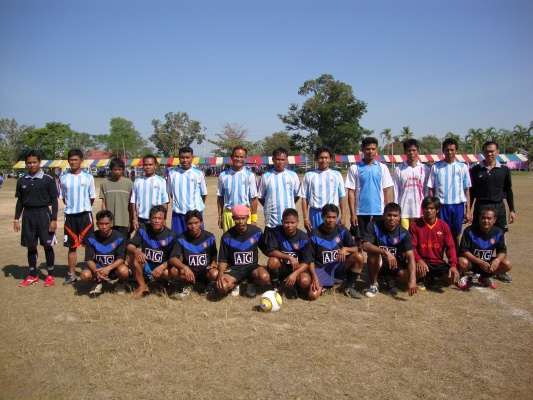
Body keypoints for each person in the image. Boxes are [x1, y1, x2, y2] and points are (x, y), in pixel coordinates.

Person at [469, 141, 515, 283]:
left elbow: (508, 190)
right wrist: (468, 210)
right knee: (477, 237)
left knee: (500, 236)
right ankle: (477, 269)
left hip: (498, 207)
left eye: (492, 151)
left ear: (497, 152)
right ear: (483, 153)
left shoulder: (504, 170)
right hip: (481, 206)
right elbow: (472, 192)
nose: (489, 154)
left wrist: (512, 210)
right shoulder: (475, 170)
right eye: (487, 151)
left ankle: (500, 269)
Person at [14, 150, 58, 287]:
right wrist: (16, 219)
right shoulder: (22, 180)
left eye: (34, 162)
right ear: (26, 163)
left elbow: (54, 200)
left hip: (44, 214)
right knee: (31, 245)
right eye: (29, 162)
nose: (32, 165)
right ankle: (33, 275)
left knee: (47, 245)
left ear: (40, 162)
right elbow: (20, 201)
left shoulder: (48, 179)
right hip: (28, 215)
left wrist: (53, 219)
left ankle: (50, 275)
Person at [308, 204, 365, 300]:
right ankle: (331, 282)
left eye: (334, 217)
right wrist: (314, 277)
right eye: (328, 217)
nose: (331, 220)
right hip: (322, 268)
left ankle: (348, 287)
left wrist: (346, 249)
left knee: (359, 256)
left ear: (337, 217)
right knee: (312, 295)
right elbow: (310, 260)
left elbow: (355, 248)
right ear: (322, 217)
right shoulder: (314, 235)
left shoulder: (342, 230)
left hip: (338, 265)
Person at [345, 137, 393, 246]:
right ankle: (359, 257)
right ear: (362, 150)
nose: (370, 151)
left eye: (373, 149)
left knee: (378, 241)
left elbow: (386, 190)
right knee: (359, 241)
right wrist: (353, 213)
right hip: (361, 212)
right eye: (367, 149)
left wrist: (388, 211)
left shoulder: (383, 168)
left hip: (379, 212)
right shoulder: (354, 168)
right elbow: (351, 192)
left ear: (377, 150)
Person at [362, 202, 417, 298]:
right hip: (379, 261)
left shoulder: (404, 233)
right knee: (372, 256)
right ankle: (374, 284)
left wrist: (413, 279)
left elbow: (410, 256)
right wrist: (385, 252)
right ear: (384, 215)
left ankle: (389, 277)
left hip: (395, 263)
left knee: (410, 276)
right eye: (389, 215)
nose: (392, 218)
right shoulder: (373, 226)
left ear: (399, 217)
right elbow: (365, 246)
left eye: (395, 216)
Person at [215, 205, 269, 298]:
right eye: (237, 218)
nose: (240, 222)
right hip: (235, 269)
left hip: (252, 267)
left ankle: (251, 283)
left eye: (243, 218)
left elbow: (266, 250)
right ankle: (236, 283)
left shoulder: (256, 232)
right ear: (233, 218)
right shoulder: (226, 236)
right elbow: (223, 260)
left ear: (248, 217)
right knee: (222, 287)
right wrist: (220, 276)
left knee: (265, 277)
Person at [409, 196, 463, 289]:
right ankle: (422, 277)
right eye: (426, 208)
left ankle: (431, 276)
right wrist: (418, 260)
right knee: (412, 272)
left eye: (432, 208)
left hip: (437, 262)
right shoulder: (415, 225)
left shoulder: (443, 226)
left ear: (437, 210)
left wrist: (453, 265)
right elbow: (411, 247)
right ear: (423, 209)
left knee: (451, 279)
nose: (429, 211)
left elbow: (450, 246)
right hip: (422, 261)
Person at [59, 149, 96, 285]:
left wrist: (83, 207)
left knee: (90, 245)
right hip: (70, 216)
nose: (73, 162)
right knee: (72, 247)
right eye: (71, 160)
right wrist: (72, 208)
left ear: (81, 161)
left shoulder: (88, 177)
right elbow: (63, 197)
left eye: (76, 159)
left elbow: (92, 197)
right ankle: (72, 274)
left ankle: (93, 272)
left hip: (85, 215)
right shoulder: (63, 178)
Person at [427, 138, 472, 248]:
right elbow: (431, 188)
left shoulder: (462, 167)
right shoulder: (435, 167)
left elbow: (466, 189)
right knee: (440, 234)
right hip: (441, 206)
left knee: (456, 235)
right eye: (447, 150)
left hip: (457, 206)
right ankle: (440, 257)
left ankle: (455, 257)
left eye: (452, 150)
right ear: (443, 151)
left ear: (456, 151)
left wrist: (468, 211)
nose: (449, 152)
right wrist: (432, 207)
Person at [127, 205, 179, 299]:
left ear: (164, 220)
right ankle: (142, 286)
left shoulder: (171, 235)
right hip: (146, 264)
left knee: (168, 273)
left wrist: (162, 267)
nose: (157, 221)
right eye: (154, 218)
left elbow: (175, 258)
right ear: (150, 219)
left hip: (162, 267)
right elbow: (130, 246)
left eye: (160, 218)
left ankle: (164, 282)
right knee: (131, 255)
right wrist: (137, 251)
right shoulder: (143, 229)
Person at [263, 208, 314, 297]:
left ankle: (298, 287)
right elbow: (270, 251)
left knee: (305, 281)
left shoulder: (304, 238)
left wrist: (295, 274)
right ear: (282, 221)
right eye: (286, 222)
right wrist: (289, 257)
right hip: (283, 266)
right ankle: (275, 286)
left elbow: (306, 262)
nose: (289, 225)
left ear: (297, 222)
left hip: (297, 268)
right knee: (272, 261)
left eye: (292, 222)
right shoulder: (276, 232)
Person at [457, 208, 512, 290]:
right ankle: (462, 276)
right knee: (461, 261)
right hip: (472, 262)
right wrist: (479, 261)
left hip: (487, 264)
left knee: (507, 264)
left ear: (494, 220)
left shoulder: (498, 232)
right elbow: (463, 251)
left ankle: (485, 277)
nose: (486, 221)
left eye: (489, 218)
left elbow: (502, 251)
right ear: (479, 218)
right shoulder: (469, 230)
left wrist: (496, 261)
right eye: (483, 218)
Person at [169, 210, 218, 298]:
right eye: (190, 223)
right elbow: (172, 258)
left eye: (196, 223)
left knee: (215, 273)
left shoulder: (209, 237)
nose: (193, 226)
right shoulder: (181, 238)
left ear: (201, 223)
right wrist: (185, 268)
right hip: (189, 269)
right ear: (186, 224)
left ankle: (207, 283)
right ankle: (187, 283)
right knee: (173, 271)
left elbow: (214, 254)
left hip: (205, 269)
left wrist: (214, 263)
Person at [81, 210, 129, 296]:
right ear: (97, 224)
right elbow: (89, 259)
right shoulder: (91, 238)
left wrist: (108, 268)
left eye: (106, 224)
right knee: (85, 275)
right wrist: (96, 271)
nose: (104, 227)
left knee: (124, 271)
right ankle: (97, 282)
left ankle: (120, 284)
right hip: (98, 267)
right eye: (101, 224)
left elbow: (121, 258)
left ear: (112, 223)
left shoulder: (120, 237)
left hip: (113, 267)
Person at [299, 146, 346, 232]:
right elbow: (304, 198)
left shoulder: (337, 175)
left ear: (330, 159)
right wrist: (305, 218)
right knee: (314, 238)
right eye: (321, 158)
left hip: (332, 213)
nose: (324, 160)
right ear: (316, 159)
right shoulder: (309, 175)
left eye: (326, 158)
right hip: (315, 213)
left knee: (333, 238)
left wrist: (343, 216)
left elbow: (342, 196)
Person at [167, 147, 207, 236]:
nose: (185, 160)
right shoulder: (172, 174)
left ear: (192, 158)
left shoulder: (199, 173)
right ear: (179, 158)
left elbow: (203, 194)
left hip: (195, 214)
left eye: (188, 157)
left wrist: (196, 209)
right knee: (178, 239)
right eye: (182, 157)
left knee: (197, 239)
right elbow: (171, 193)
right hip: (178, 214)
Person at [257, 148, 300, 231]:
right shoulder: (265, 176)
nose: (280, 162)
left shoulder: (293, 175)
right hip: (271, 221)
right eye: (278, 159)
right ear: (273, 159)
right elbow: (260, 196)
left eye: (283, 160)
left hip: (288, 221)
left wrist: (289, 204)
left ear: (286, 160)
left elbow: (297, 195)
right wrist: (269, 206)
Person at [216, 146, 258, 232]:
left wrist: (254, 219)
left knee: (245, 240)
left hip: (244, 215)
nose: (239, 159)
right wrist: (220, 216)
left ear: (245, 158)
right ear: (231, 157)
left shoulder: (250, 176)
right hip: (228, 214)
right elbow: (220, 197)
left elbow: (253, 198)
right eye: (236, 156)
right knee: (229, 239)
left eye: (241, 157)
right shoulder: (223, 175)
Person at [393, 139, 429, 229]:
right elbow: (396, 190)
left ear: (418, 152)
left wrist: (426, 206)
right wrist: (396, 209)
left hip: (419, 210)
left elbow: (426, 190)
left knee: (417, 234)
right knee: (405, 234)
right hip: (403, 210)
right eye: (409, 150)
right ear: (405, 152)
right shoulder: (399, 169)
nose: (411, 153)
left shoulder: (425, 169)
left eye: (414, 150)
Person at [130, 155, 169, 230]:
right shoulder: (137, 181)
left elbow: (165, 202)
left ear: (155, 165)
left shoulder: (161, 181)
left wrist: (164, 219)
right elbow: (133, 201)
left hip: (156, 219)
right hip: (141, 219)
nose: (148, 167)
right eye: (145, 165)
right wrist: (135, 219)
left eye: (150, 164)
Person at [99, 157, 133, 238]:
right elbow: (103, 203)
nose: (117, 172)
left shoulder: (129, 184)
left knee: (124, 244)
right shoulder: (104, 184)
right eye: (115, 169)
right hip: (110, 222)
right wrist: (105, 219)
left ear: (123, 170)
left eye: (119, 169)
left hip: (124, 222)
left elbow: (131, 205)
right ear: (111, 169)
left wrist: (130, 220)